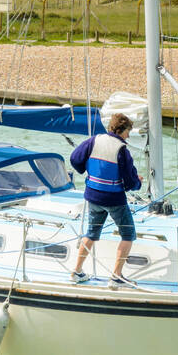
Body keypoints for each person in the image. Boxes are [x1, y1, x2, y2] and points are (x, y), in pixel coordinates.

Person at [69, 112, 142, 288]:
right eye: (127, 132)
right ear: (121, 130)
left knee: (91, 233)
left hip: (93, 195)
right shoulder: (122, 150)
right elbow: (129, 181)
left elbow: (74, 159)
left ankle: (77, 271)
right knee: (128, 234)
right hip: (114, 199)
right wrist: (138, 183)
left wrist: (86, 172)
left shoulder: (94, 140)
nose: (128, 136)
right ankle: (116, 276)